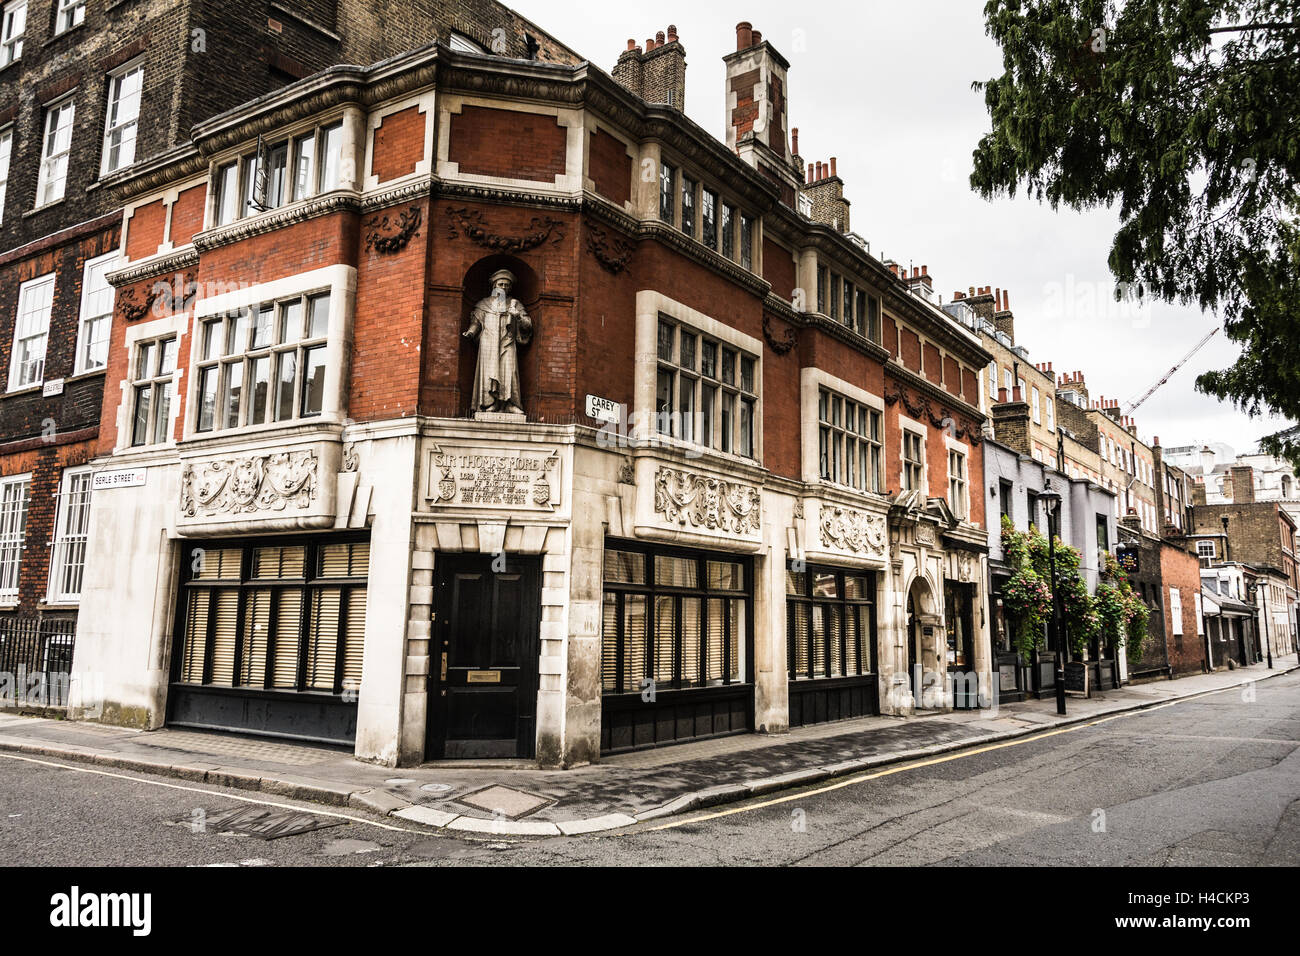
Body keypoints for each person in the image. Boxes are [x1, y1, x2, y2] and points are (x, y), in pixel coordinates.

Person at [464, 268, 532, 414]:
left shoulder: (515, 304)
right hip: (488, 342)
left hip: (507, 341)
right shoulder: (484, 304)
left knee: (509, 371)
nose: (504, 287)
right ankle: (490, 403)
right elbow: (477, 323)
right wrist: (470, 332)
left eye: (507, 285)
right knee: (489, 372)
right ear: (494, 286)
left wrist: (518, 317)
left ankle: (510, 403)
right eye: (501, 284)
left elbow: (528, 325)